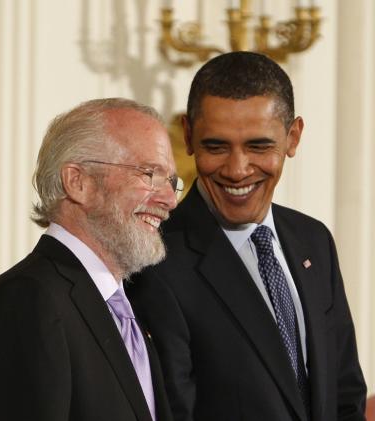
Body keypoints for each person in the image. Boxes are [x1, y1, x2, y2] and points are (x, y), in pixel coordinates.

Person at [128, 51, 367, 421]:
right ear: (189, 137)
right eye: (216, 146)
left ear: (293, 136)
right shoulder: (155, 258)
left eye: (259, 146)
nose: (237, 170)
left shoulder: (313, 240)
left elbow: (345, 394)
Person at [0, 98, 181, 421]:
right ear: (78, 182)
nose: (168, 200)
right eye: (149, 174)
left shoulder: (129, 305)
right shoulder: (27, 299)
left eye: (171, 182)